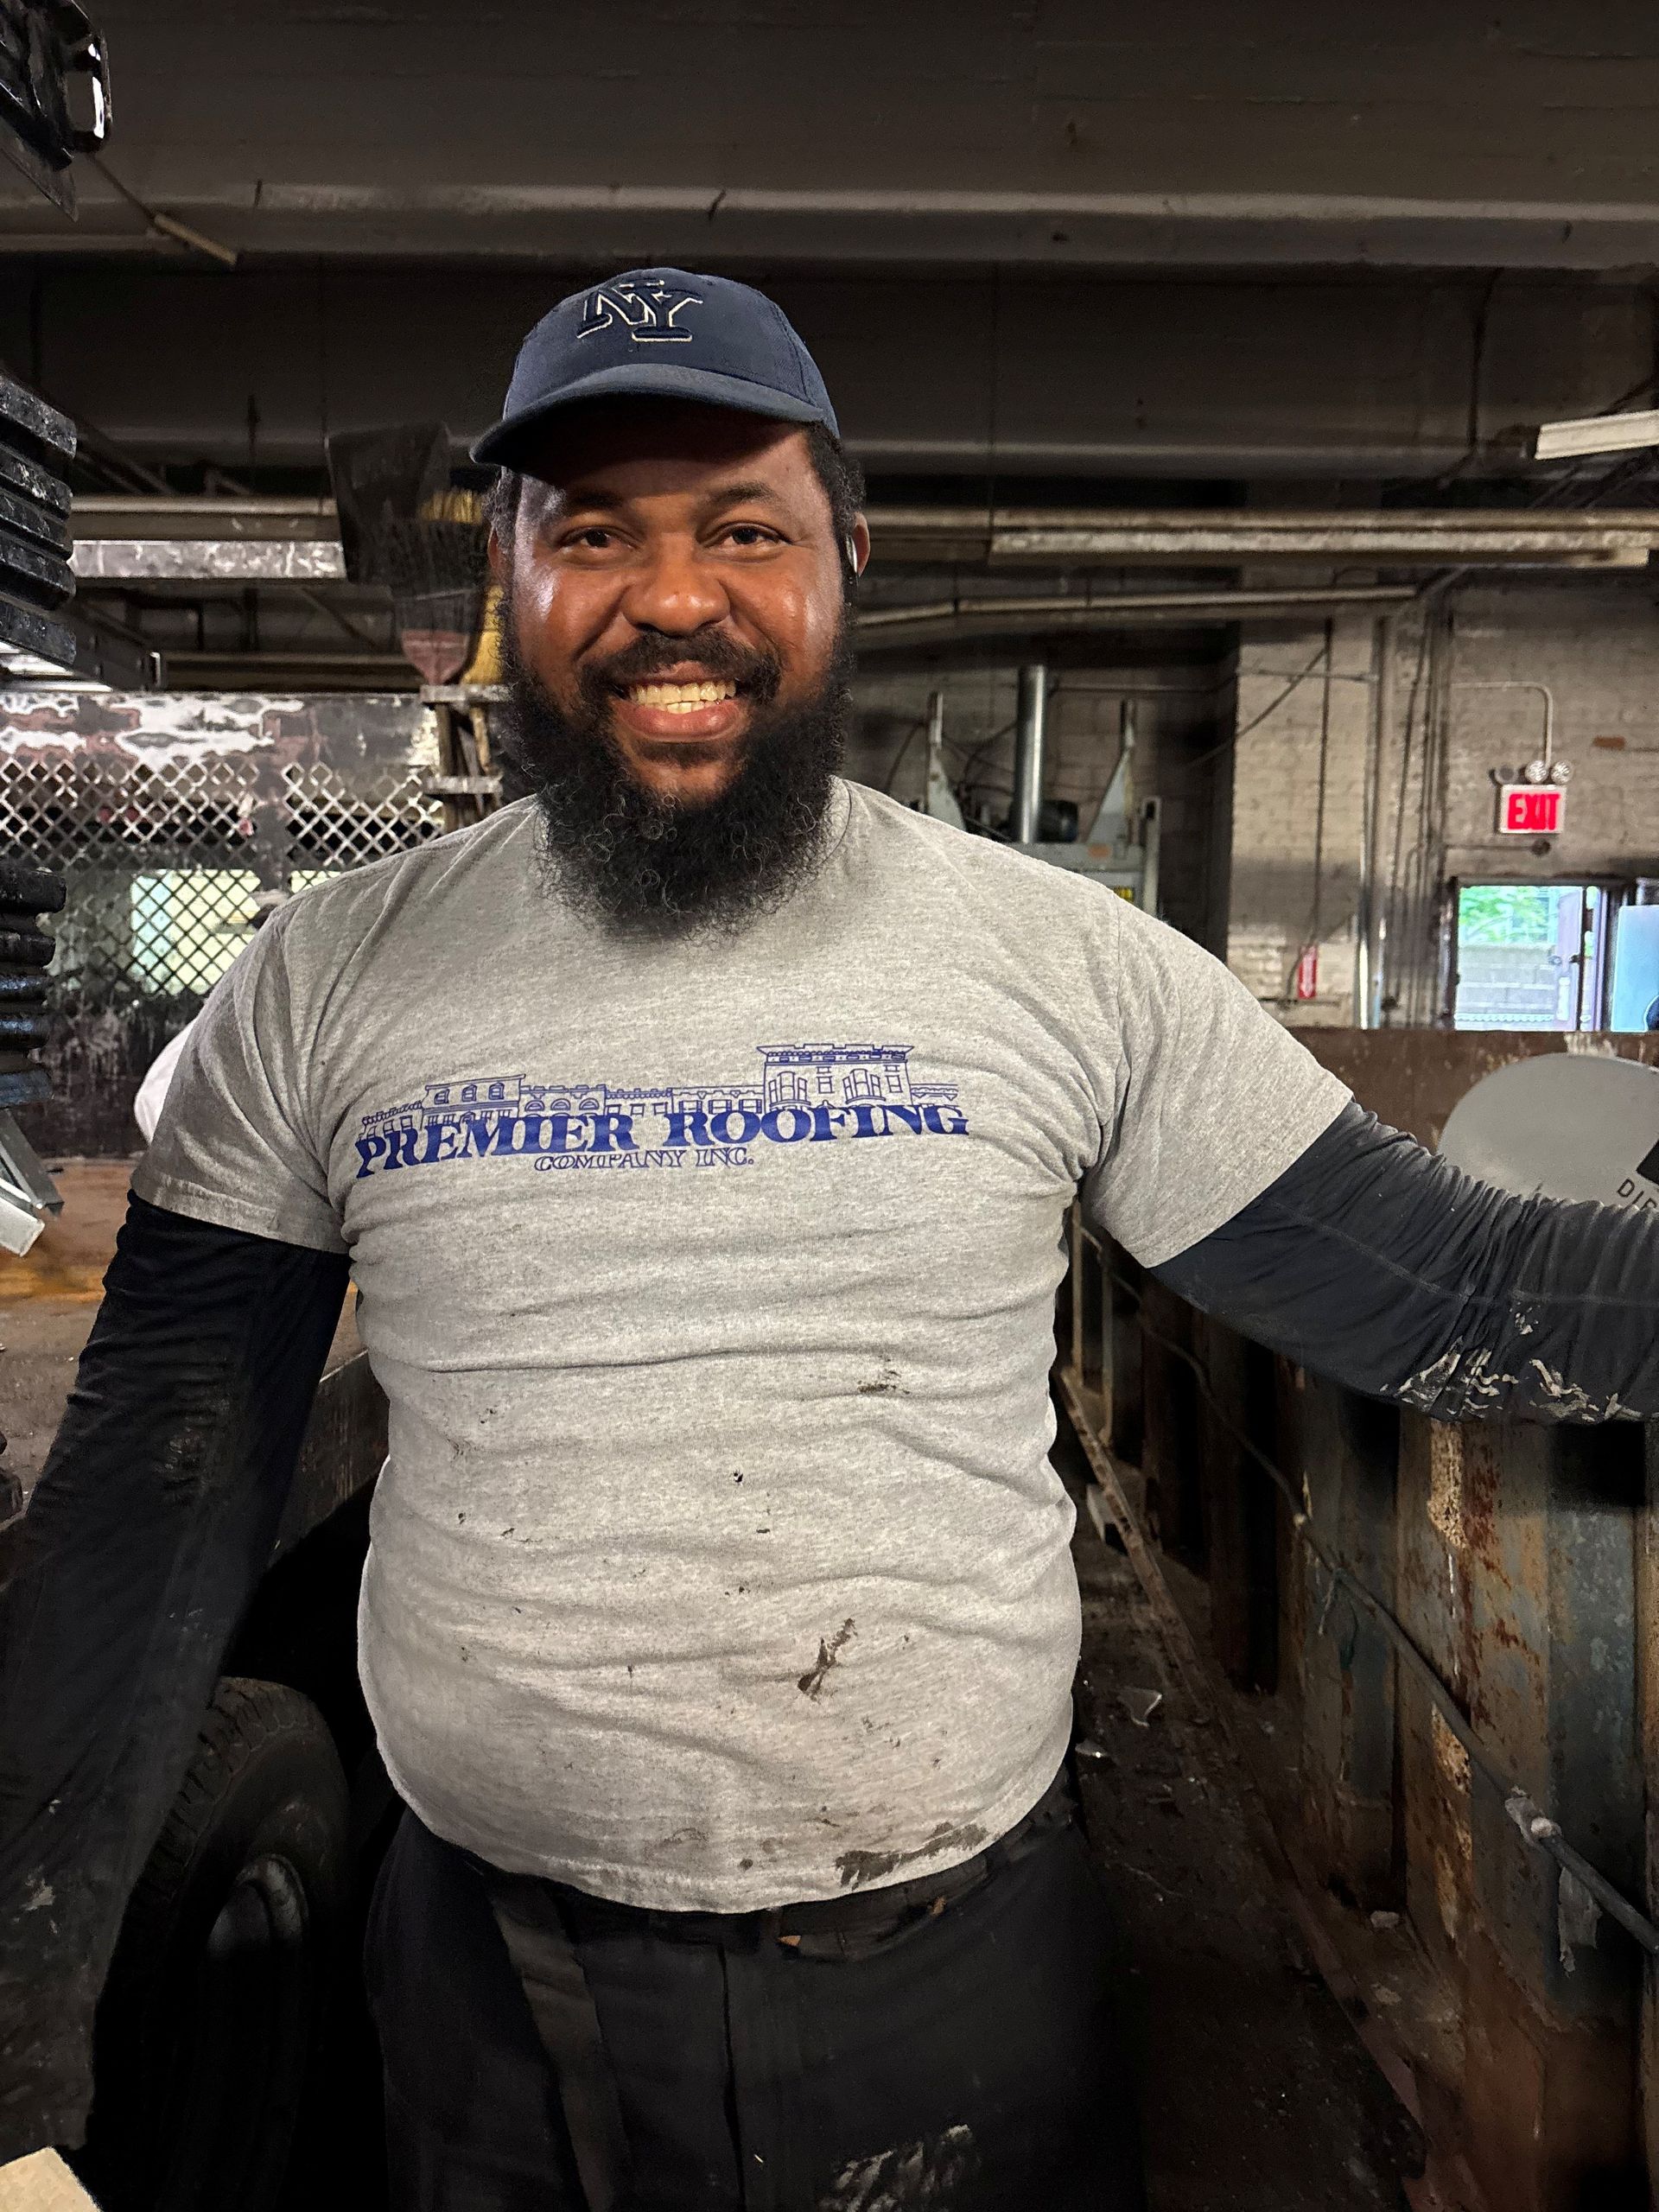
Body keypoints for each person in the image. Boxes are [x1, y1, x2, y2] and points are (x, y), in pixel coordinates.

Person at [3, 268, 1659, 2212]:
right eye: (593, 530)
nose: (673, 596)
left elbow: (1449, 1289)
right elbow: (154, 1483)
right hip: (485, 2001)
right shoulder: (323, 981)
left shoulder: (1060, 969)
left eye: (744, 527)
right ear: (507, 576)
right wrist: (21, 2038)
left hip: (952, 1992)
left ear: (845, 556)